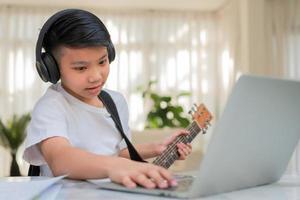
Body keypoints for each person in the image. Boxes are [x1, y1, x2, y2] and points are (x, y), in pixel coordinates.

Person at [23, 9, 192, 189]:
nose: (96, 76)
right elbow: (60, 159)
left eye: (102, 62)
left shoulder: (115, 101)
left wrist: (156, 148)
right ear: (52, 69)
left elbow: (114, 153)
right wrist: (116, 167)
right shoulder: (52, 106)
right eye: (81, 68)